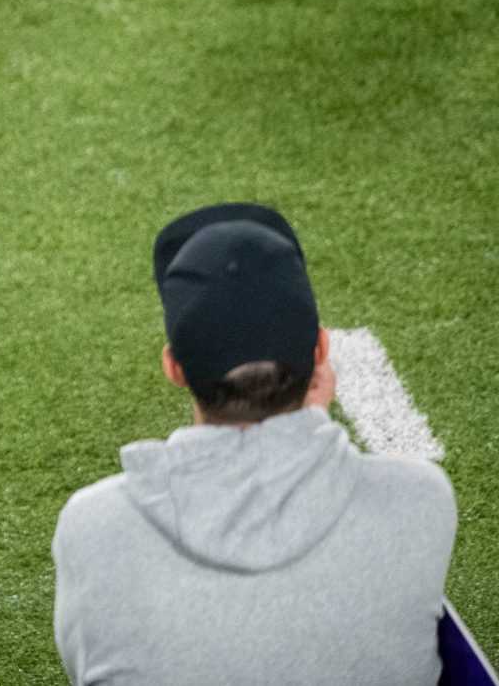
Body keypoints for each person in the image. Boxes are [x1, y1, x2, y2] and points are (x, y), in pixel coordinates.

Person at [52, 203, 456, 685]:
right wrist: (307, 423)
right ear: (321, 351)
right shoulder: (418, 499)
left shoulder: (95, 527)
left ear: (174, 367)